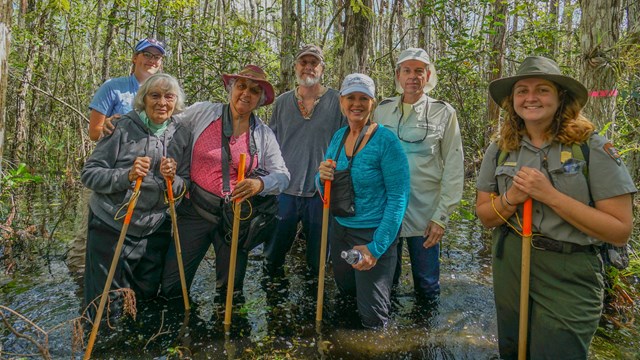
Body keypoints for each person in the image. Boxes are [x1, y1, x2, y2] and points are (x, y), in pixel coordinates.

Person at [476, 56, 636, 358]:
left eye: (542, 90)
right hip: (510, 263)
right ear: (513, 101)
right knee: (512, 350)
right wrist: (511, 199)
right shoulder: (500, 149)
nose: (531, 98)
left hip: (570, 269)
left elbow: (619, 231)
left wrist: (549, 195)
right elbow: (485, 216)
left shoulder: (592, 148)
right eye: (522, 91)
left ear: (560, 97)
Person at [161, 65, 290, 300]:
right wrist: (129, 121)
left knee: (230, 293)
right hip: (195, 211)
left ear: (260, 99)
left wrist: (259, 185)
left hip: (236, 219)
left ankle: (225, 336)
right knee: (172, 286)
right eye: (241, 86)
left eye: (254, 90)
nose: (246, 94)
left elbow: (282, 176)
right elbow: (167, 121)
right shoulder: (203, 113)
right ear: (231, 89)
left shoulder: (263, 134)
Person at [81, 73, 190, 314]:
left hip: (155, 229)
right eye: (155, 96)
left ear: (176, 102)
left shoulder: (181, 132)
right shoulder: (121, 127)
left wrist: (174, 179)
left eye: (169, 96)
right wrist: (126, 175)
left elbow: (185, 184)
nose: (162, 102)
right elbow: (89, 174)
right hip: (112, 224)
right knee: (107, 304)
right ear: (143, 99)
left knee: (145, 299)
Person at [317, 73, 410, 328]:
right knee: (346, 297)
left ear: (373, 103)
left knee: (372, 319)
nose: (356, 104)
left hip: (372, 234)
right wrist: (320, 176)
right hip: (340, 230)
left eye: (363, 98)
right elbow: (324, 186)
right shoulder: (338, 137)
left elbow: (399, 197)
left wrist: (376, 247)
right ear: (341, 102)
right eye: (351, 98)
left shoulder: (386, 141)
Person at [67, 37, 167, 273]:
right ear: (135, 58)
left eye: (156, 57)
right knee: (86, 237)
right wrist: (110, 125)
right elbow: (94, 132)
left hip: (147, 179)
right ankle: (82, 287)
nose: (151, 61)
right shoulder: (114, 87)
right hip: (111, 172)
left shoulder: (163, 92)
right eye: (147, 55)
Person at [374, 47, 464, 301]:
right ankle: (385, 338)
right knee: (385, 283)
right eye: (407, 70)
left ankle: (426, 339)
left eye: (419, 71)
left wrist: (441, 217)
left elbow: (455, 167)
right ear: (398, 75)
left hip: (426, 213)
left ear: (428, 75)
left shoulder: (444, 112)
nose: (412, 76)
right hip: (388, 210)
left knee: (426, 285)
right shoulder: (381, 110)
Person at [263, 44, 346, 278]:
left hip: (322, 191)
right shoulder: (281, 102)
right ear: (295, 66)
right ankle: (274, 308)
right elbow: (271, 144)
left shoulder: (338, 101)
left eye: (314, 63)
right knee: (272, 257)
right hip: (285, 190)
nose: (308, 67)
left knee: (318, 263)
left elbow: (346, 145)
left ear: (322, 67)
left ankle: (311, 310)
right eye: (303, 62)